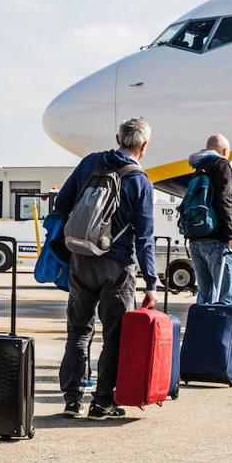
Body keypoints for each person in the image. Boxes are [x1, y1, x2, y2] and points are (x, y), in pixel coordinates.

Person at [56, 117, 157, 418]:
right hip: (118, 266)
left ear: (118, 137)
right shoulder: (140, 182)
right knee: (114, 335)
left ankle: (72, 399)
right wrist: (151, 282)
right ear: (144, 146)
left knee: (78, 331)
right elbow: (145, 236)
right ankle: (102, 401)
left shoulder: (90, 163)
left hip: (81, 259)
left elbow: (61, 204)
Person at [186, 134, 232, 305]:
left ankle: (203, 332)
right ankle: (224, 332)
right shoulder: (222, 164)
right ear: (225, 151)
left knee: (205, 296)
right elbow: (225, 201)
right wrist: (231, 237)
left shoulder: (199, 166)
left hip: (197, 240)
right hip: (218, 241)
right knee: (227, 297)